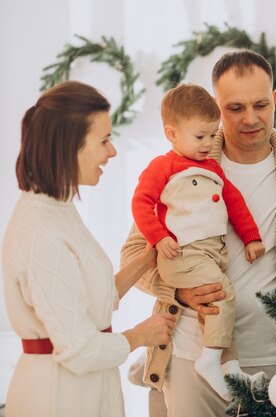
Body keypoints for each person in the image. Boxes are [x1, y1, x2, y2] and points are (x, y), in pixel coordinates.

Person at [121, 49, 276, 416]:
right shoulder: (178, 170)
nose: (250, 118)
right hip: (190, 359)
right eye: (234, 108)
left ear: (274, 100)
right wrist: (180, 291)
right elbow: (133, 253)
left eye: (261, 105)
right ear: (216, 106)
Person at [1, 81, 176, 417]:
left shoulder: (57, 211)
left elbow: (90, 299)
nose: (112, 152)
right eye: (104, 140)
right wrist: (141, 334)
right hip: (58, 398)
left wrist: (146, 260)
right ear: (70, 147)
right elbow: (79, 350)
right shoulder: (41, 231)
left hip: (82, 393)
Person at [131, 83, 265, 400]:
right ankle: (209, 361)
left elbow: (235, 204)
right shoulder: (163, 167)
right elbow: (140, 203)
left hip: (209, 254)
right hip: (181, 253)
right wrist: (159, 237)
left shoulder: (212, 168)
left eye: (211, 135)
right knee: (224, 292)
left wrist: (251, 238)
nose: (208, 143)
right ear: (172, 134)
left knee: (219, 305)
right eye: (200, 137)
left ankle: (228, 364)